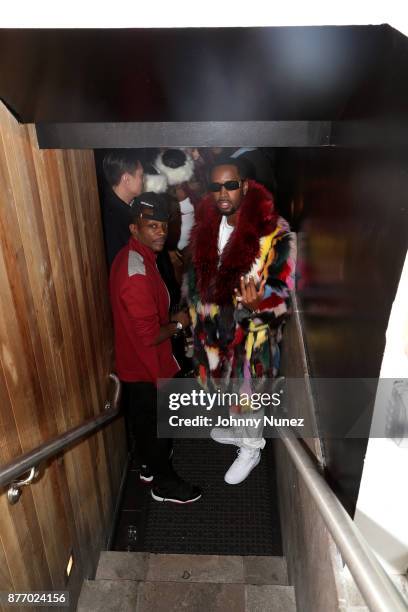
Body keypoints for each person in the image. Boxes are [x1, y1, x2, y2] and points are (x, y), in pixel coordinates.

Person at [185, 157, 296, 485]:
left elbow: (284, 290)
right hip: (218, 326)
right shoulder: (207, 225)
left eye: (231, 186)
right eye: (215, 186)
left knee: (250, 392)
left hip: (253, 330)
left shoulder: (274, 233)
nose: (223, 193)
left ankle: (251, 447)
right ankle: (238, 431)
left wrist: (260, 301)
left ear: (244, 186)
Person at [110, 191, 202, 504]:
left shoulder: (138, 257)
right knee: (157, 427)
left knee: (144, 423)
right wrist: (179, 324)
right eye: (152, 226)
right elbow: (149, 335)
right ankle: (164, 485)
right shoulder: (136, 272)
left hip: (137, 365)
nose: (161, 231)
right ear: (135, 229)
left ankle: (147, 465)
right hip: (147, 367)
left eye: (164, 224)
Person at [102, 149, 144, 267]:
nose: (143, 180)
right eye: (140, 175)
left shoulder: (128, 206)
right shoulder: (112, 220)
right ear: (126, 179)